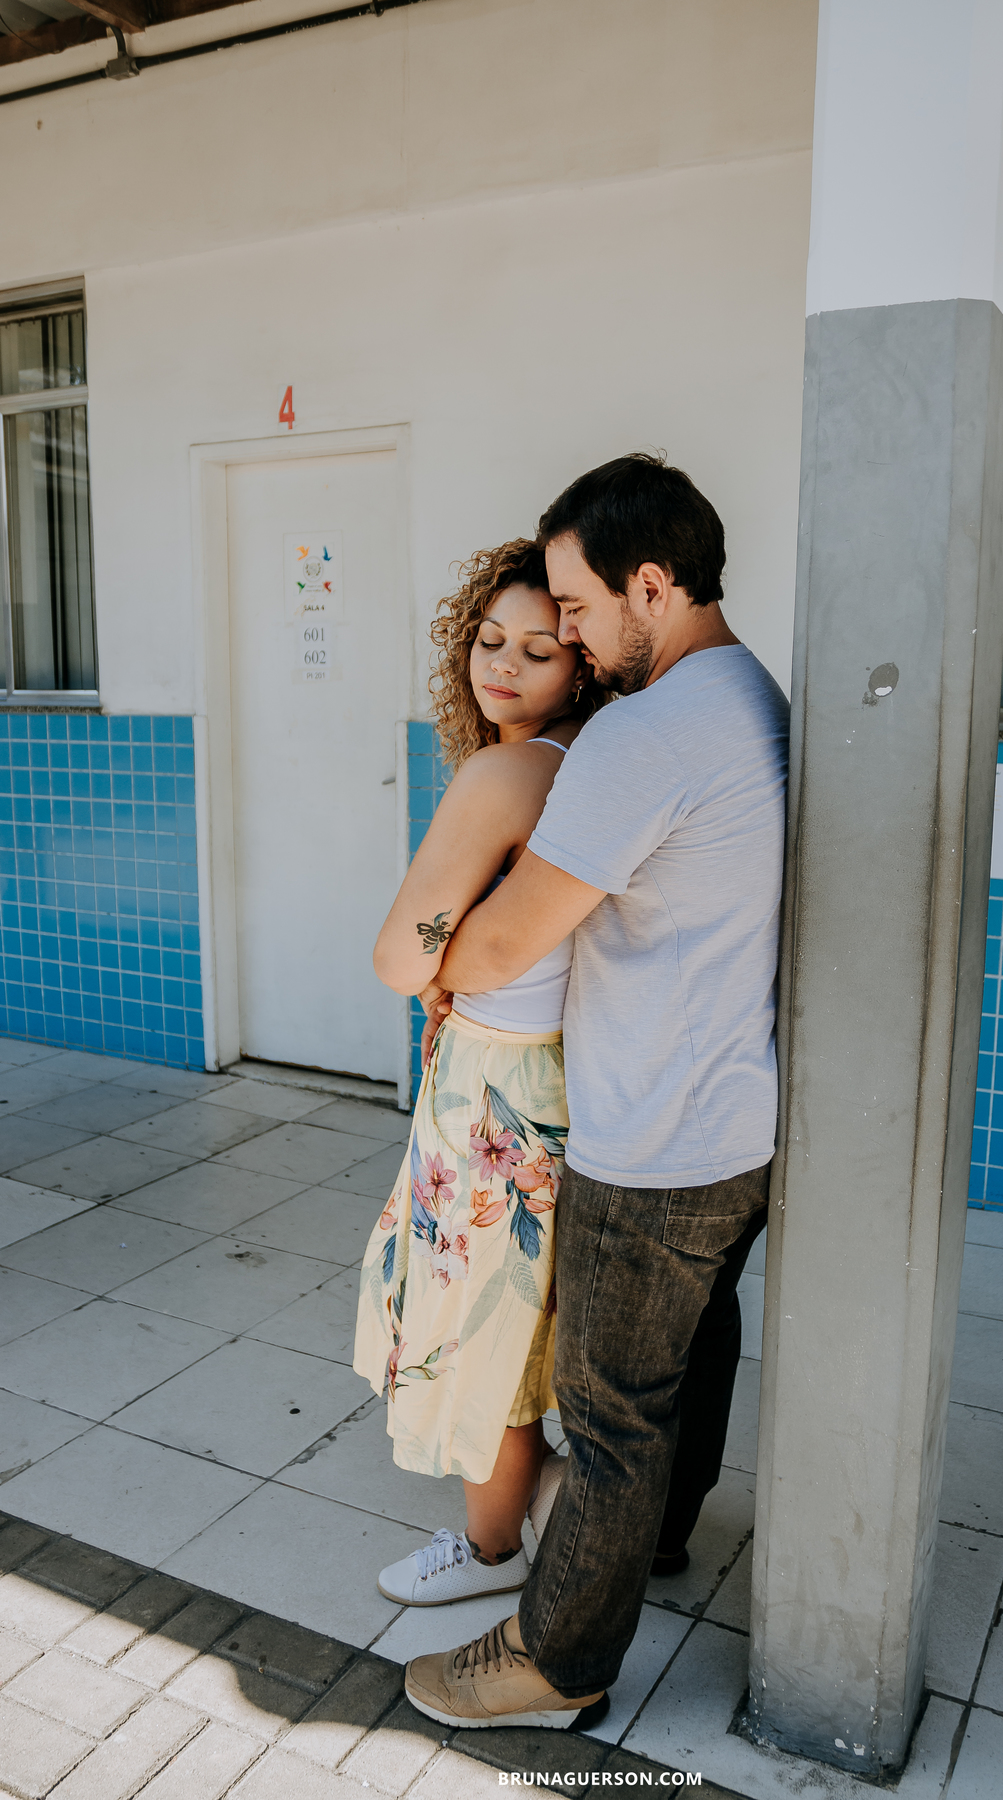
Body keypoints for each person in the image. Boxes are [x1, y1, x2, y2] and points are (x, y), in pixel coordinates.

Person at [403, 452, 788, 1732]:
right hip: (738, 1115)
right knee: (692, 1356)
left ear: (653, 583)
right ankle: (660, 1542)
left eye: (573, 608)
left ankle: (556, 1660)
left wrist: (440, 974)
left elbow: (507, 942)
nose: (563, 633)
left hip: (655, 1131)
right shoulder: (752, 692)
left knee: (613, 1413)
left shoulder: (647, 730)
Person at [353, 539, 600, 1609]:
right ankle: (536, 1505)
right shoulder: (590, 759)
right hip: (555, 1081)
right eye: (488, 640)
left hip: (491, 1089)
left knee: (477, 1325)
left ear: (582, 662)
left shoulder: (505, 773)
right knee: (519, 1318)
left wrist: (436, 976)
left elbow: (396, 957)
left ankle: (494, 1553)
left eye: (537, 649)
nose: (500, 665)